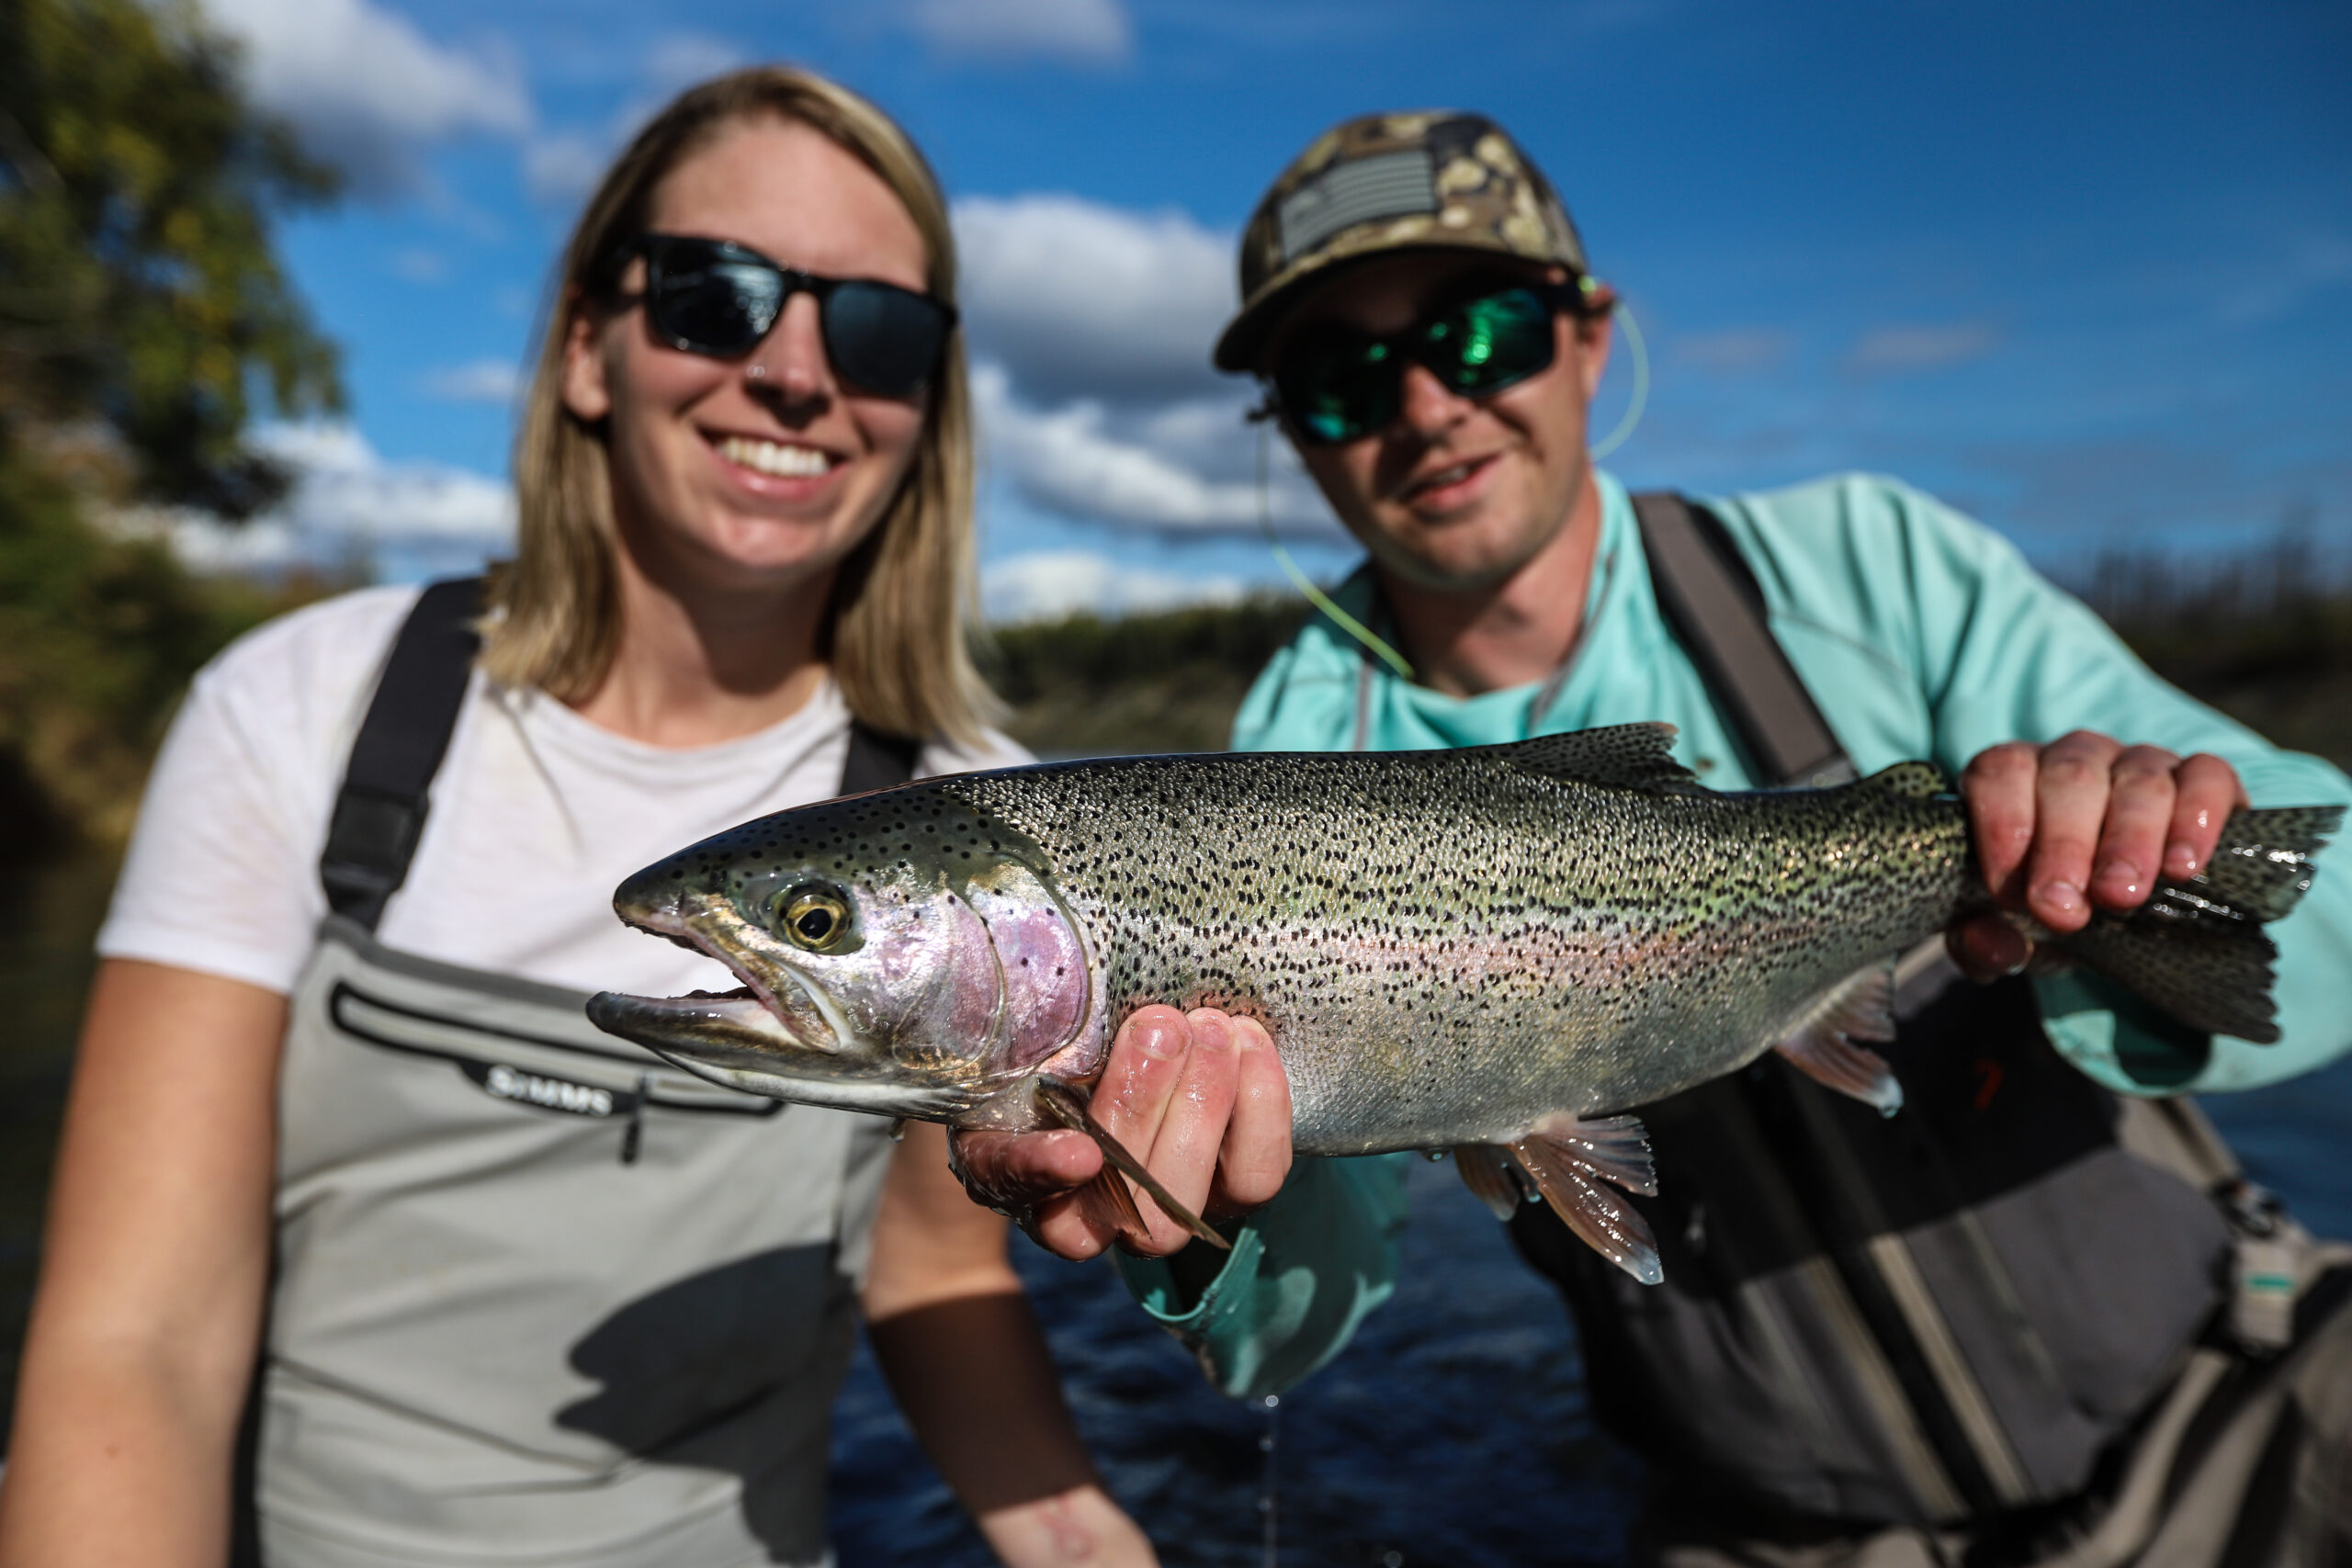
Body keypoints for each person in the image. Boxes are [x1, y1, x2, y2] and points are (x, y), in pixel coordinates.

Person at [957, 112, 2352, 1562]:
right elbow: (1297, 1316)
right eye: (1341, 374)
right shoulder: (1274, 766)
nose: (1427, 405)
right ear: (1290, 430)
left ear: (1589, 335)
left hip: (2238, 1397)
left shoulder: (1865, 571)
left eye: (1478, 331)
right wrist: (1195, 1226)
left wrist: (2140, 846)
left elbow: (2338, 909)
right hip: (1774, 1535)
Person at [0, 66, 1156, 1568]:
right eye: (713, 295)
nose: (796, 371)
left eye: (875, 331)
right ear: (587, 349)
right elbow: (135, 1350)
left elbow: (928, 1277)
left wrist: (1079, 1538)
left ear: (923, 409)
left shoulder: (978, 842)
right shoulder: (303, 709)